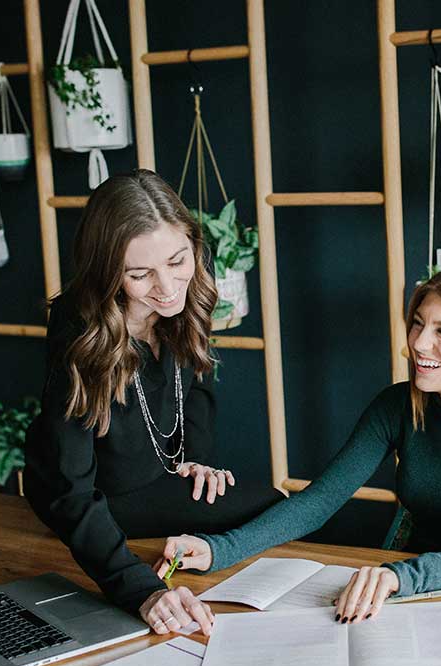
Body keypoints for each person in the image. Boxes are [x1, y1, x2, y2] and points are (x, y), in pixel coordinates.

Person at [161, 268, 441, 622]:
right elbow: (320, 501)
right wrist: (219, 549)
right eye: (418, 324)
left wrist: (408, 575)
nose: (418, 344)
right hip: (401, 585)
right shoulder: (398, 404)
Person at [24, 170, 283, 636]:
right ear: (108, 272)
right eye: (140, 274)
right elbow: (70, 492)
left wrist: (199, 462)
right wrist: (143, 592)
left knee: (273, 507)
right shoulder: (79, 333)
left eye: (177, 261)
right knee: (270, 506)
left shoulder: (186, 297)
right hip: (96, 494)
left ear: (191, 243)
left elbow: (197, 391)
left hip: (160, 474)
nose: (167, 287)